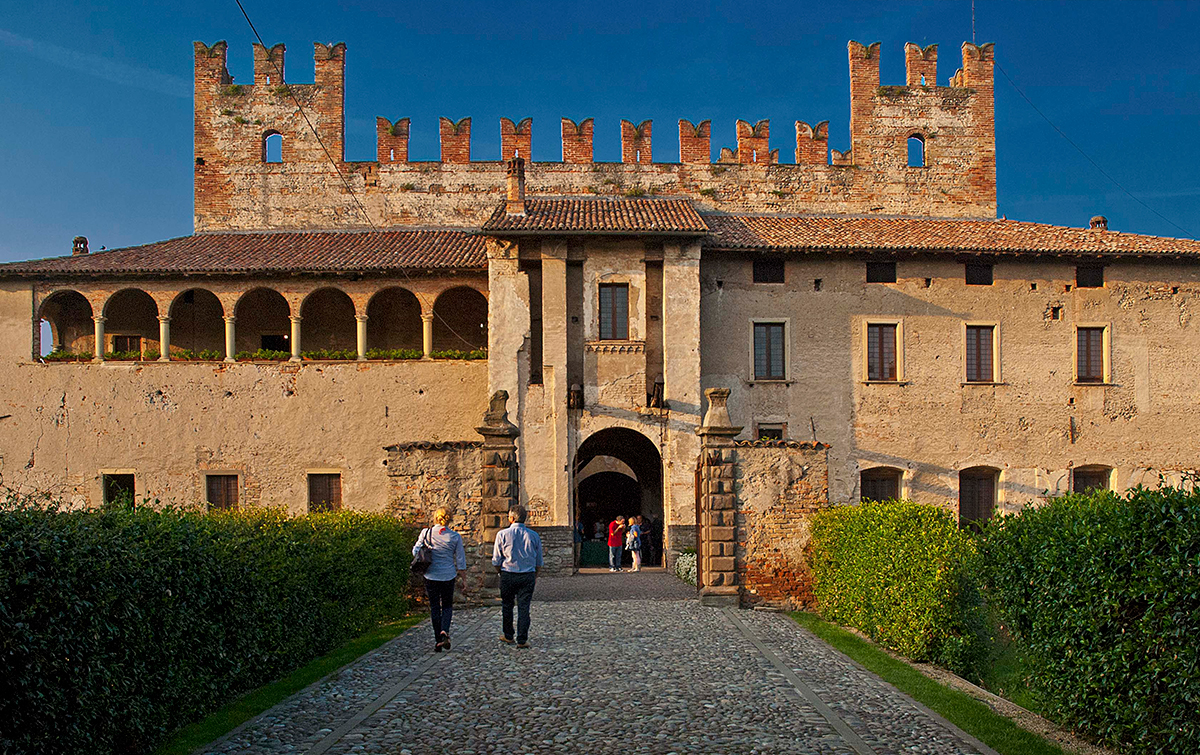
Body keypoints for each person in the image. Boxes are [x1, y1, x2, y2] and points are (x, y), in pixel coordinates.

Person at [413, 507, 466, 653]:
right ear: (450, 519)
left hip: (431, 575)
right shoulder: (454, 537)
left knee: (435, 607)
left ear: (436, 518)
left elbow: (415, 551)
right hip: (448, 575)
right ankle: (445, 630)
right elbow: (460, 560)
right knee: (447, 605)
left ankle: (438, 640)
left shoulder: (426, 533)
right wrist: (464, 579)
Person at [492, 505, 543, 648]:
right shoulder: (533, 535)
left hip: (508, 573)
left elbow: (496, 559)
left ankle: (508, 635)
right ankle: (522, 639)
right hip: (527, 574)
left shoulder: (502, 534)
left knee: (507, 606)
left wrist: (500, 572)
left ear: (511, 518)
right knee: (524, 607)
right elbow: (539, 561)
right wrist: (535, 575)